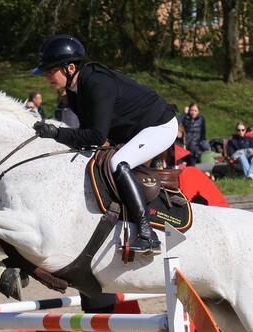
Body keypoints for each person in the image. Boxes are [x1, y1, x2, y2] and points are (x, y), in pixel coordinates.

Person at [31, 34, 177, 254]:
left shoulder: (97, 82)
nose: (47, 76)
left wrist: (56, 133)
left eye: (51, 70)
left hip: (159, 126)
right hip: (132, 131)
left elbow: (97, 136)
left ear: (70, 68)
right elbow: (86, 134)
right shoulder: (74, 90)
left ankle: (147, 233)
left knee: (119, 161)